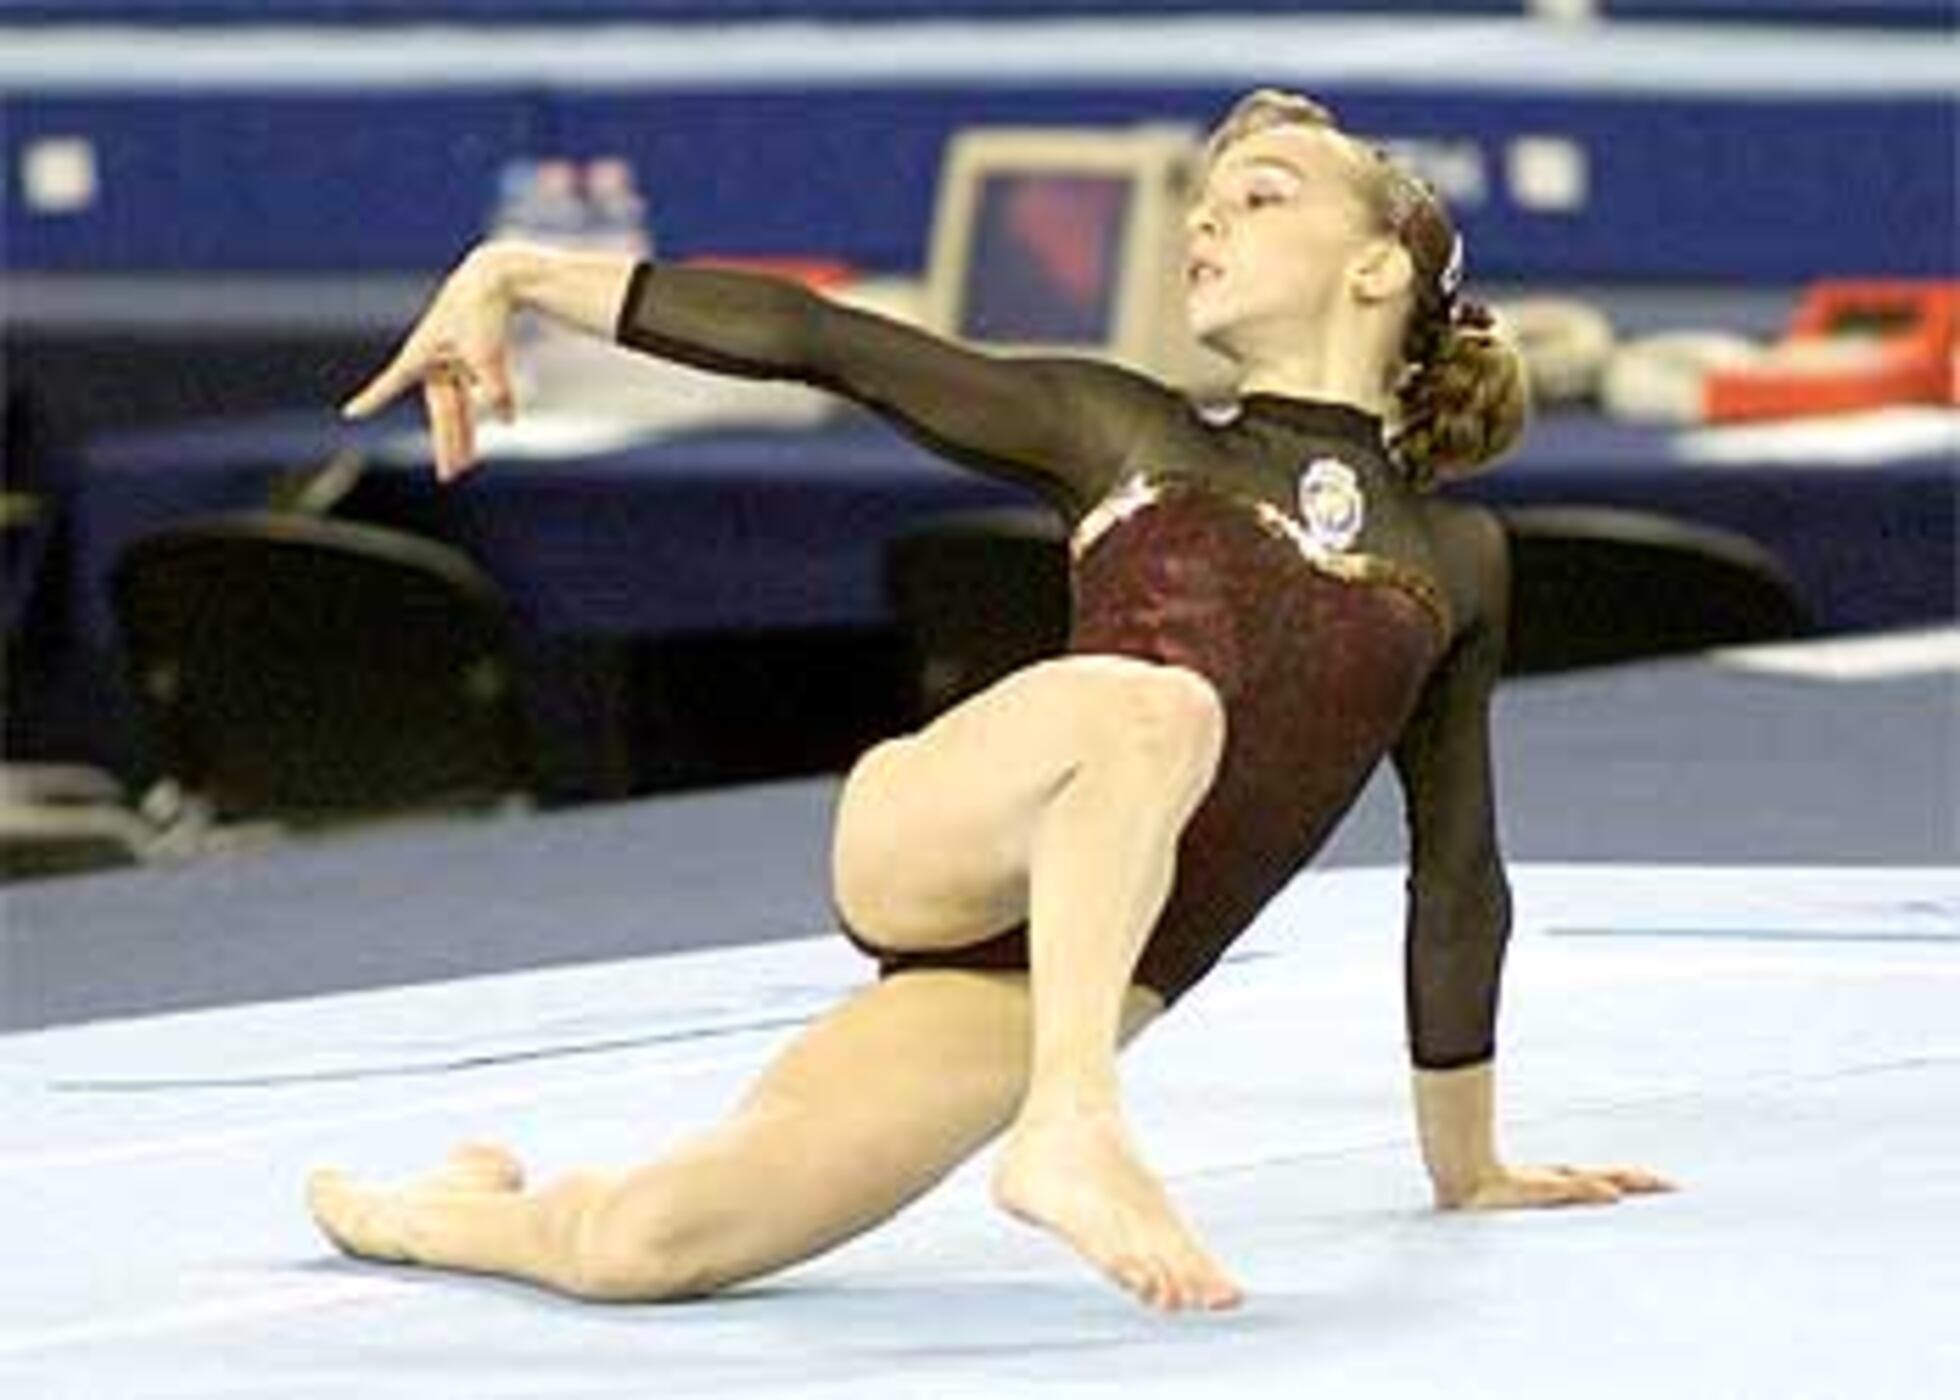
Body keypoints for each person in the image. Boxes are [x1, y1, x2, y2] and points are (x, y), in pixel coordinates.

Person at [308, 89, 1672, 1315]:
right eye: (1199, 209)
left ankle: (442, 1209)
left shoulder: (1454, 561)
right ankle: (1073, 1123)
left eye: (1261, 197)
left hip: (1052, 974)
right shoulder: (1124, 431)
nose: (1208, 225)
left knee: (650, 1248)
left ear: (1381, 267)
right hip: (943, 835)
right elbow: (821, 341)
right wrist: (518, 270)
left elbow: (1456, 870)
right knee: (1161, 715)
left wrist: (1469, 1165)